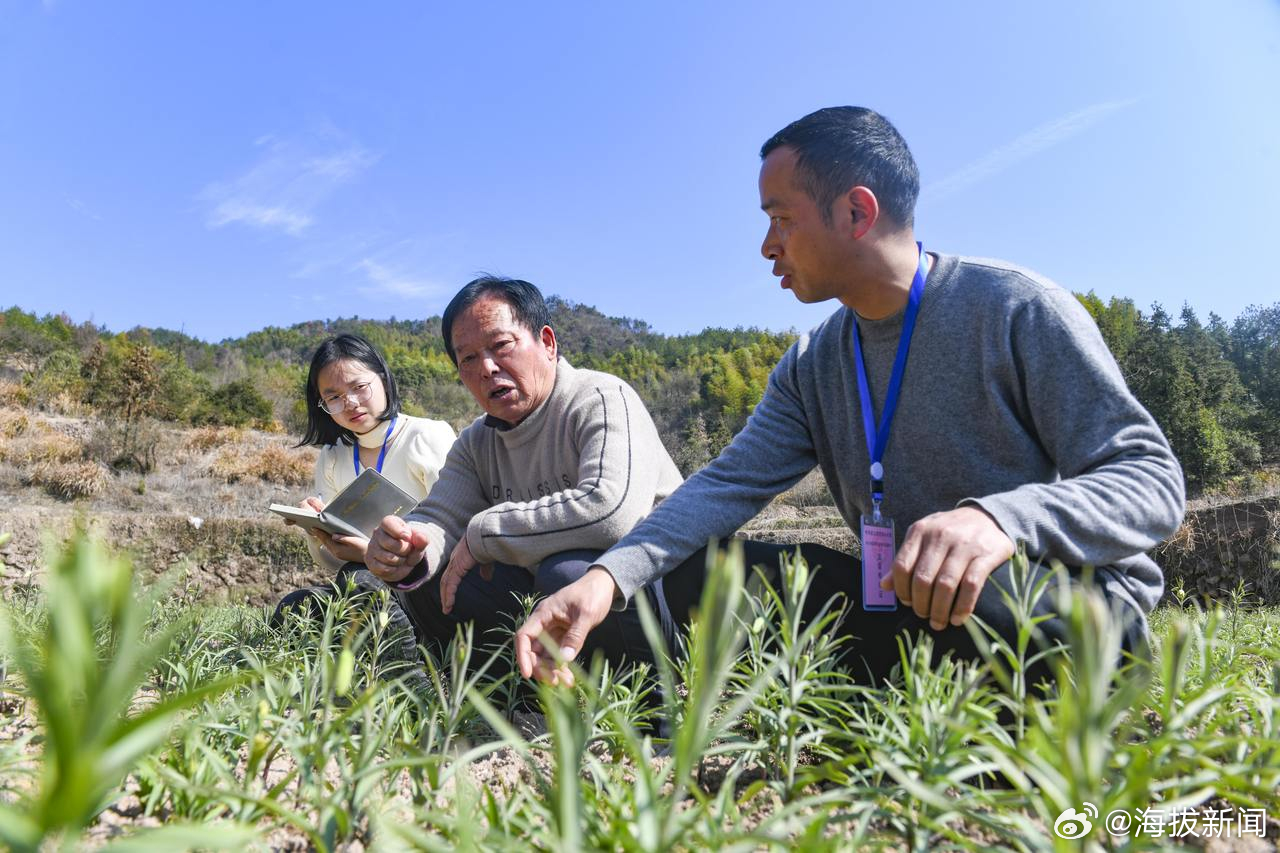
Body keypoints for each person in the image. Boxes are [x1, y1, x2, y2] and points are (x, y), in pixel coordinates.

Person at [513, 106, 1186, 688]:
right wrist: (604, 579)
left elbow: (1152, 482)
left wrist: (998, 521)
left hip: (1059, 608)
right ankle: (882, 693)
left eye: (780, 218)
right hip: (907, 605)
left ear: (857, 211)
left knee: (967, 592)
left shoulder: (1013, 307)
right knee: (681, 576)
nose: (766, 245)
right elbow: (725, 484)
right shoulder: (813, 364)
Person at [363, 276, 684, 673]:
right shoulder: (477, 442)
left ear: (547, 343)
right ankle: (516, 702)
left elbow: (611, 512)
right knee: (437, 575)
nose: (487, 368)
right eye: (468, 359)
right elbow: (440, 518)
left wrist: (483, 534)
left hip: (664, 594)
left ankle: (655, 706)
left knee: (567, 572)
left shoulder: (601, 398)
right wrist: (410, 546)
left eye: (501, 346)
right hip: (557, 606)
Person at [272, 333, 456, 651]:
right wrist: (316, 530)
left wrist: (370, 553)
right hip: (363, 583)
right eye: (334, 397)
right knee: (294, 608)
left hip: (430, 586)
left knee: (360, 581)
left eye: (359, 387)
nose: (351, 404)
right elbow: (331, 562)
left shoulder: (426, 436)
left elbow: (455, 529)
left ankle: (409, 675)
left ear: (383, 378)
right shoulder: (333, 457)